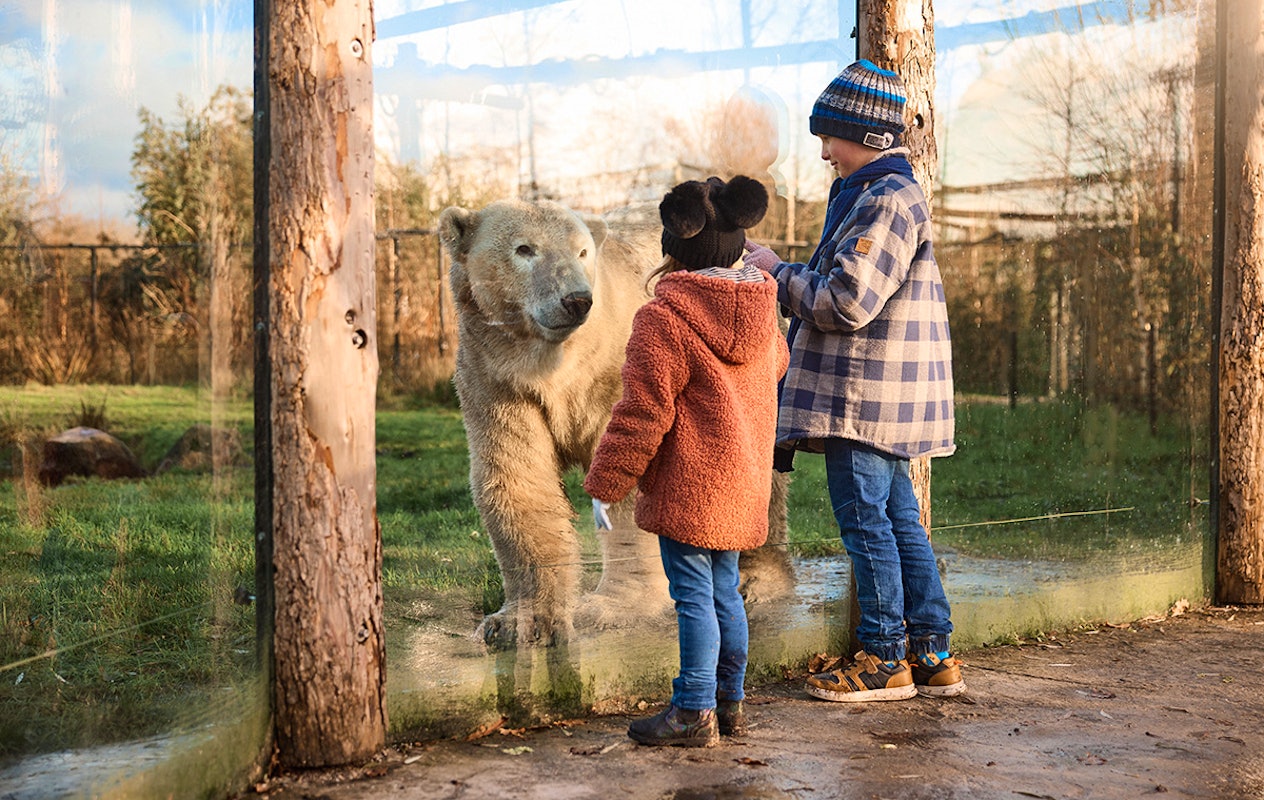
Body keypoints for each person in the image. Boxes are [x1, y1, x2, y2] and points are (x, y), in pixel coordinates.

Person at [743, 59, 965, 702]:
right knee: (899, 522)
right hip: (880, 400)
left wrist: (777, 274)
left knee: (868, 524)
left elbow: (848, 301)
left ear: (867, 138)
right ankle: (932, 652)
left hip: (864, 400)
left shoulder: (886, 201)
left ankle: (882, 658)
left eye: (830, 137)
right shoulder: (877, 195)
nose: (822, 152)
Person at [584, 175, 789, 747]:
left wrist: (607, 483)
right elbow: (775, 367)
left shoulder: (664, 319)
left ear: (675, 246)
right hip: (743, 481)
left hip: (691, 487)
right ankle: (730, 703)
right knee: (725, 591)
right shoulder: (762, 310)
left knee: (695, 595)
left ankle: (692, 710)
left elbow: (641, 414)